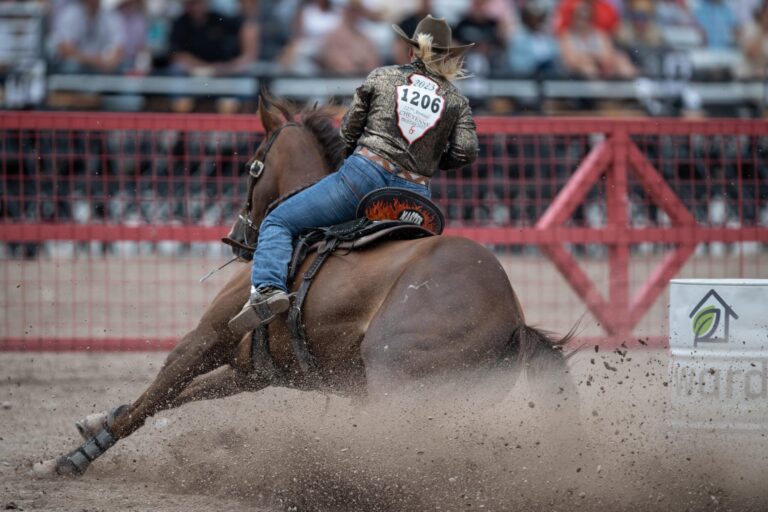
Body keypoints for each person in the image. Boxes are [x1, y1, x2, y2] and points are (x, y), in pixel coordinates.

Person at [229, 15, 479, 335]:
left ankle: (267, 290)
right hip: (415, 197)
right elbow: (466, 152)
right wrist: (430, 158)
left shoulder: (383, 76)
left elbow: (348, 129)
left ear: (411, 51)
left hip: (364, 179)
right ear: (446, 57)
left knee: (278, 220)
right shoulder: (456, 100)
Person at [48, 0, 125, 73]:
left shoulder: (111, 16)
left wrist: (108, 61)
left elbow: (118, 49)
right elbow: (65, 49)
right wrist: (94, 61)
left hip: (101, 66)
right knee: (71, 66)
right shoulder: (71, 14)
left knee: (123, 67)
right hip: (81, 65)